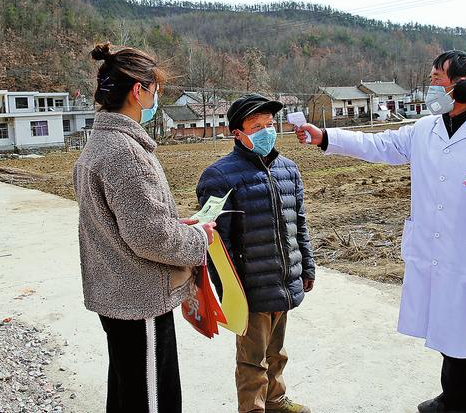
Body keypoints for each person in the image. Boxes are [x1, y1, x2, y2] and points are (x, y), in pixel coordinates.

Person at [296, 51, 466, 413]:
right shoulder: (426, 128)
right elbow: (380, 145)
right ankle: (451, 399)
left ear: (462, 86)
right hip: (435, 250)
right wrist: (325, 137)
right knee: (448, 327)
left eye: (438, 79)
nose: (431, 85)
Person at [73, 42, 216, 413]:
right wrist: (197, 238)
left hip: (117, 293)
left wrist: (171, 225)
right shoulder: (126, 153)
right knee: (152, 398)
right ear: (139, 91)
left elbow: (129, 223)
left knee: (127, 391)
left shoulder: (99, 144)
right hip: (140, 299)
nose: (157, 97)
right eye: (155, 89)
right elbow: (151, 237)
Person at [196, 93, 315, 413]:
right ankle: (253, 408)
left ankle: (275, 400)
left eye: (269, 124)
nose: (266, 131)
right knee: (252, 360)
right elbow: (217, 243)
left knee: (277, 352)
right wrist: (229, 291)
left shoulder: (288, 170)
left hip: (284, 279)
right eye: (256, 126)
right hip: (249, 287)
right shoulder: (219, 176)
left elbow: (299, 223)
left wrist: (307, 266)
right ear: (238, 134)